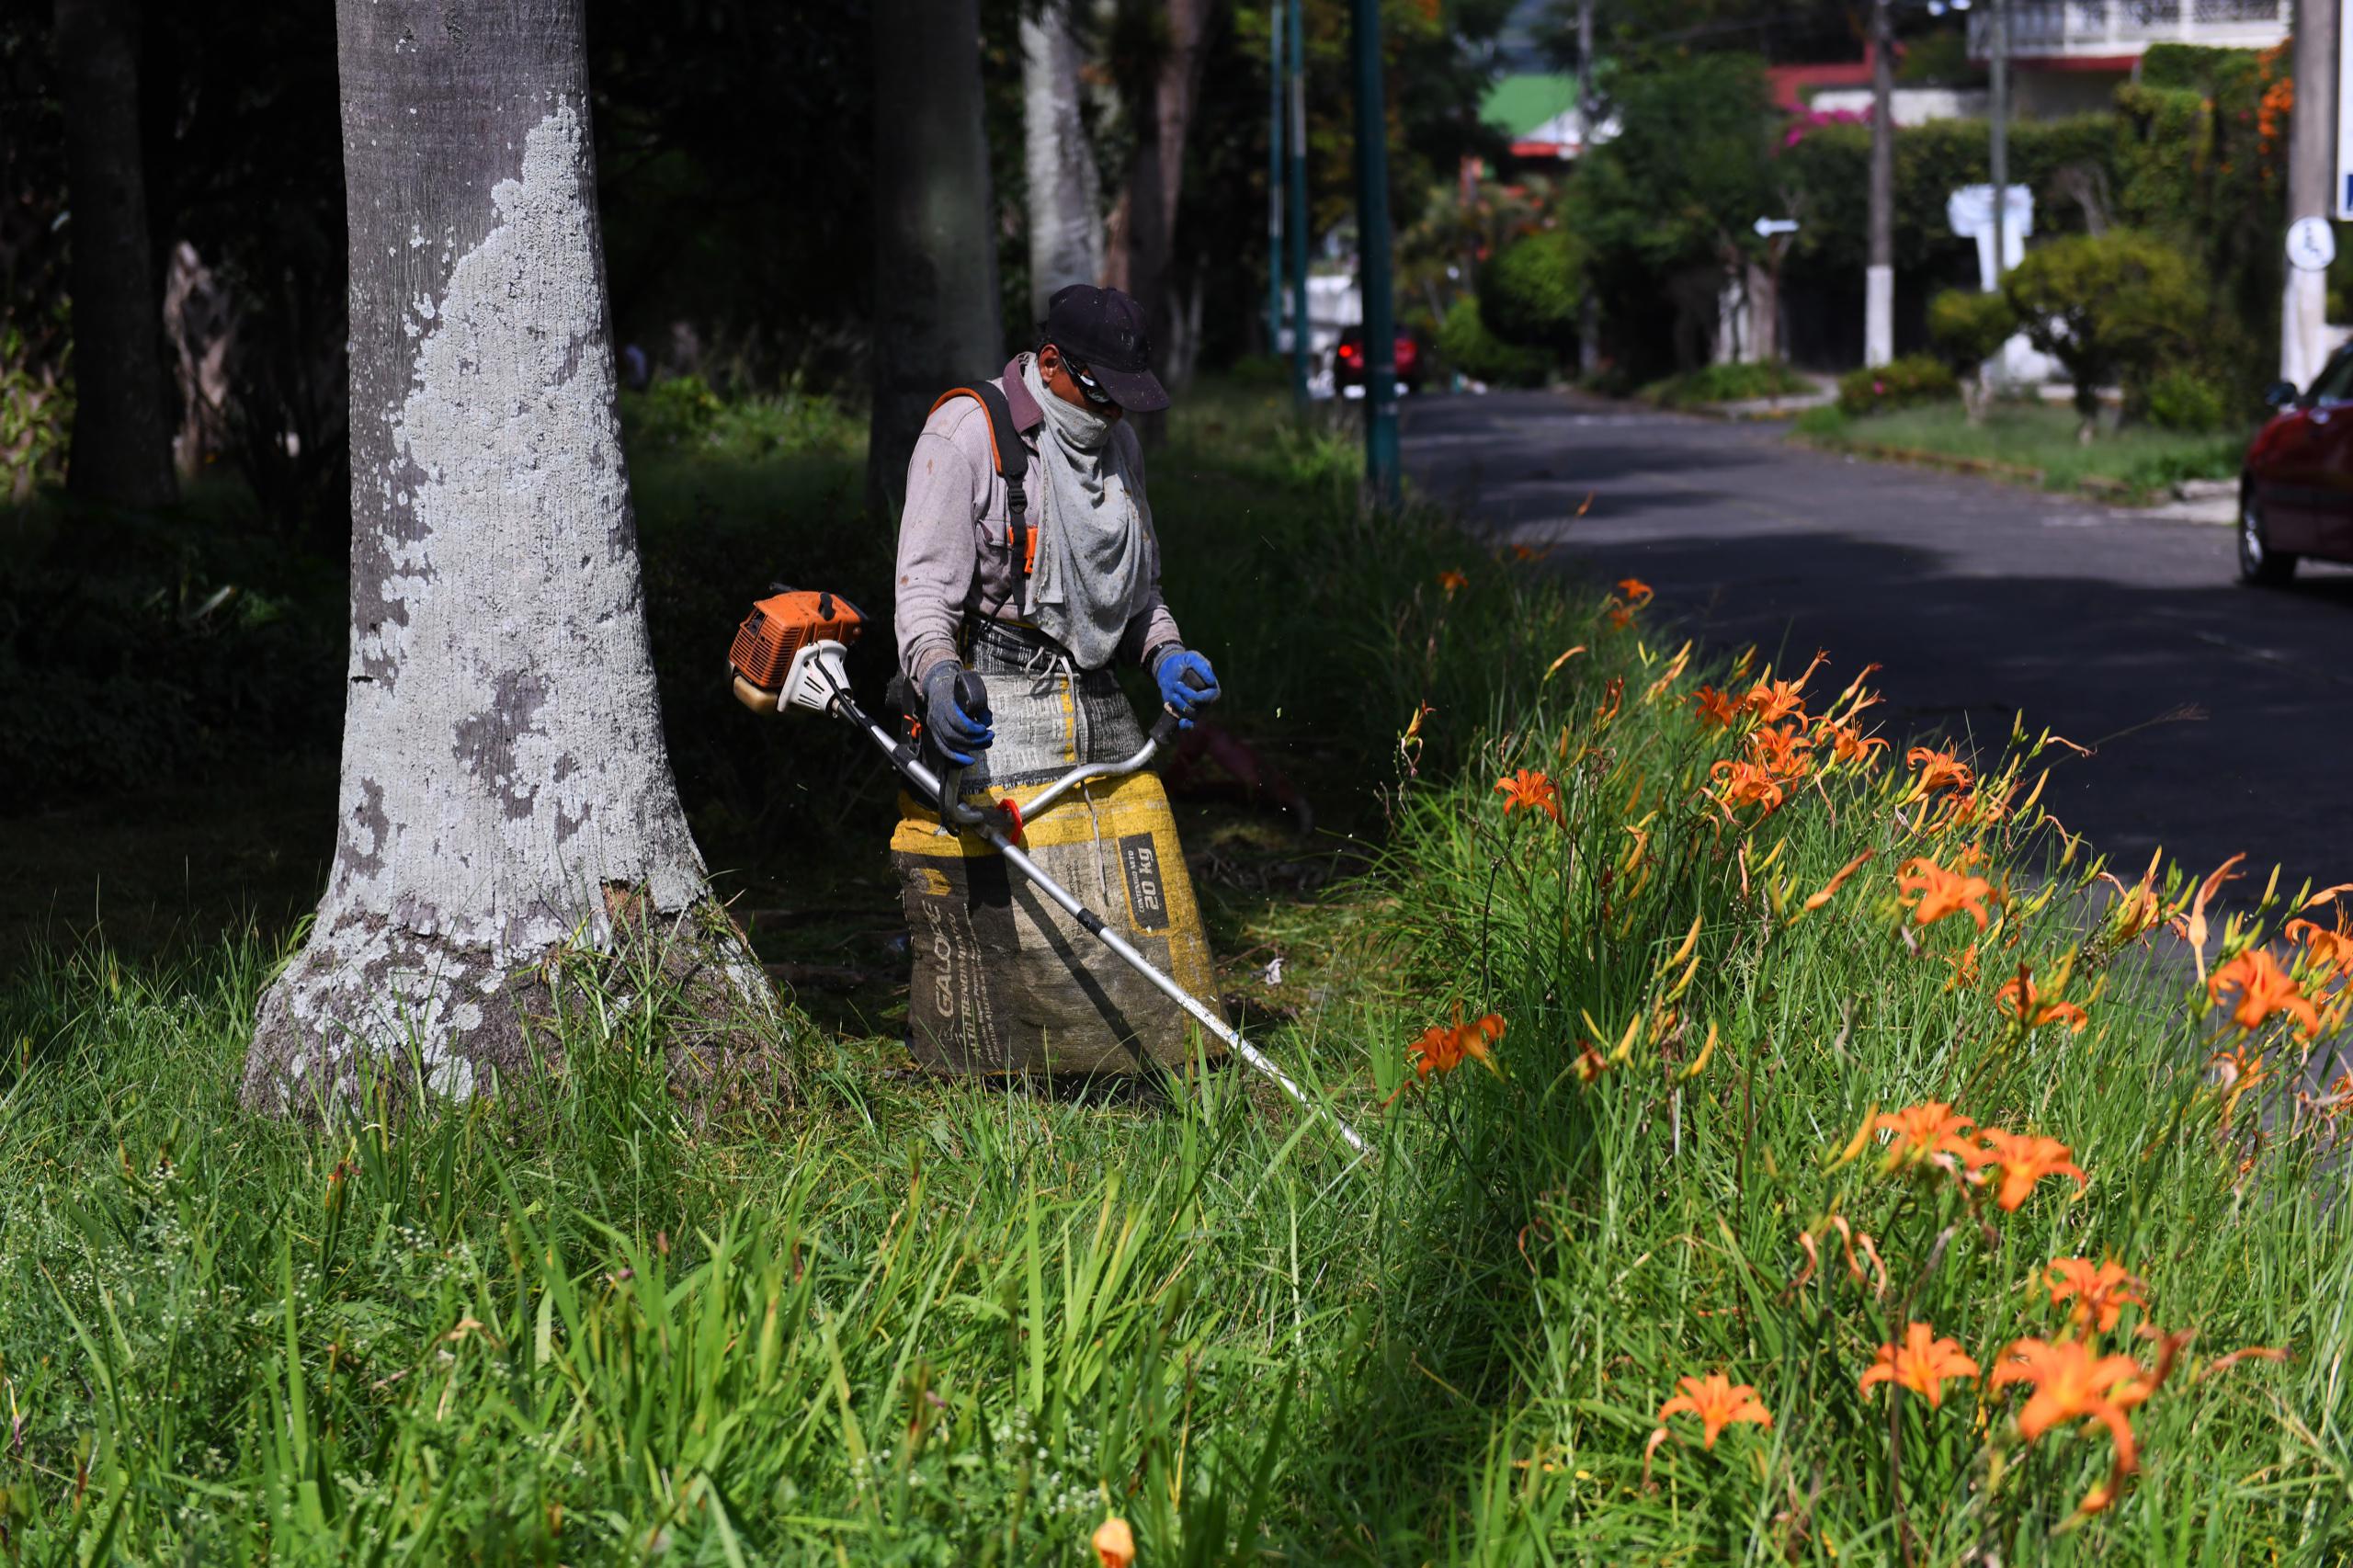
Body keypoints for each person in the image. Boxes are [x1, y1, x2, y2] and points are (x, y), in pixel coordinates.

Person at [888, 284, 1227, 1078]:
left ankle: (1153, 1050)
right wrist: (938, 681)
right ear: (1050, 366)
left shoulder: (1118, 447)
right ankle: (1009, 1068)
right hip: (995, 686)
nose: (1113, 418)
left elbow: (1138, 594)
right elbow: (922, 593)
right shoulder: (968, 434)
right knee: (1015, 887)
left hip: (1094, 685)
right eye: (1104, 397)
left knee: (1136, 870)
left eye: (1127, 405)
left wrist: (1167, 653)